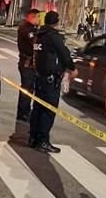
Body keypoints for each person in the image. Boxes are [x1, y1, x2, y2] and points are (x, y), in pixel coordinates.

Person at [28, 11, 77, 153]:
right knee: (48, 110)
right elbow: (65, 55)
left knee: (37, 108)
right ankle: (42, 141)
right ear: (56, 22)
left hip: (39, 77)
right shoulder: (53, 37)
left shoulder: (39, 35)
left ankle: (33, 137)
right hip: (50, 80)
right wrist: (72, 68)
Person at [16, 8, 40, 123]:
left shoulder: (32, 28)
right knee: (27, 88)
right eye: (38, 17)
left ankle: (25, 111)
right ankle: (23, 112)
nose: (39, 20)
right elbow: (34, 42)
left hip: (30, 64)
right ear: (32, 17)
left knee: (30, 88)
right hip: (26, 63)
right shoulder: (26, 28)